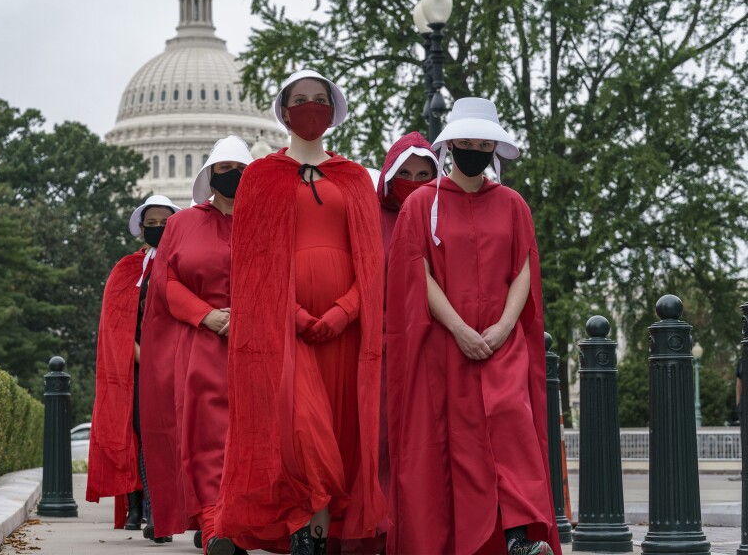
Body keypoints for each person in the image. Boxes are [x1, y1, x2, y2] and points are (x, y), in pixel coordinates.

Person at [215, 70, 386, 555]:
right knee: (302, 433)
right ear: (284, 111)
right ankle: (304, 530)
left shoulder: (355, 178)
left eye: (319, 100)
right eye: (300, 100)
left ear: (332, 111)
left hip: (343, 331)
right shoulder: (260, 178)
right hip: (283, 331)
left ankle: (316, 534)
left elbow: (371, 263)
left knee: (338, 430)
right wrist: (291, 314)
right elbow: (251, 264)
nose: (310, 107)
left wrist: (344, 311)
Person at [385, 98, 561, 555]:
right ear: (451, 145)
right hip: (447, 346)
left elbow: (524, 267)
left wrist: (504, 327)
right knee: (460, 445)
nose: (475, 149)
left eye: (484, 143)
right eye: (467, 142)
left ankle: (518, 537)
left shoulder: (513, 203)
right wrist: (460, 329)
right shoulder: (422, 203)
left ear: (495, 148)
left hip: (503, 343)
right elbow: (415, 270)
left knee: (513, 432)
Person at [139, 137, 252, 555]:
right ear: (209, 175)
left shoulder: (266, 219)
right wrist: (207, 315)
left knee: (250, 435)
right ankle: (213, 525)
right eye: (223, 170)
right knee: (207, 436)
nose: (232, 178)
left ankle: (241, 521)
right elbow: (165, 281)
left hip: (256, 343)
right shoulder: (182, 224)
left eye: (239, 169)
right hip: (202, 343)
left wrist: (248, 314)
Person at [86, 195, 180, 537]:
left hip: (180, 363)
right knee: (140, 431)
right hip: (140, 367)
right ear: (141, 229)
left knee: (174, 437)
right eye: (151, 224)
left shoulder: (183, 264)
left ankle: (158, 507)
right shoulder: (127, 269)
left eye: (164, 223)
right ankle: (145, 506)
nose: (157, 229)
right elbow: (116, 326)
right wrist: (147, 357)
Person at [373, 132, 437, 552]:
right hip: (380, 346)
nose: (413, 182)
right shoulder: (370, 219)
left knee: (423, 445)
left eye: (423, 174)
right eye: (405, 174)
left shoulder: (440, 217)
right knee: (379, 443)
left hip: (432, 345)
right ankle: (378, 527)